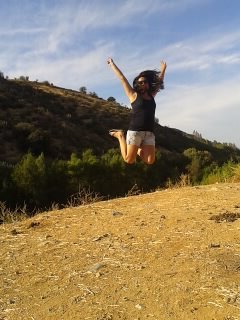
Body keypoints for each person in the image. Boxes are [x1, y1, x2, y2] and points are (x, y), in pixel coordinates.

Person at [107, 57, 167, 165]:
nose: (142, 84)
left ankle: (138, 149)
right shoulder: (133, 95)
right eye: (140, 83)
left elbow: (159, 83)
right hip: (135, 132)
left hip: (149, 133)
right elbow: (122, 78)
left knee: (150, 161)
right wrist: (112, 64)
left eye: (144, 82)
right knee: (128, 160)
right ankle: (120, 135)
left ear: (148, 83)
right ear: (137, 85)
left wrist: (163, 69)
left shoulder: (151, 95)